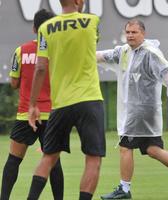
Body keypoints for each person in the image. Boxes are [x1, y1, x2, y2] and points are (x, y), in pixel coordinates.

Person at [96, 19, 168, 199]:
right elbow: (101, 56)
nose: (130, 35)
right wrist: (81, 53)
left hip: (141, 111)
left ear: (143, 34)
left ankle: (124, 189)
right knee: (153, 150)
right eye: (128, 32)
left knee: (125, 147)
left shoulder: (150, 53)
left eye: (134, 32)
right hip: (141, 113)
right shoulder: (124, 51)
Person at [26, 1, 106, 200]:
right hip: (89, 99)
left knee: (49, 157)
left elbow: (41, 68)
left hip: (61, 103)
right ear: (79, 2)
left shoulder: (45, 28)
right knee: (93, 158)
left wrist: (32, 104)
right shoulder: (92, 21)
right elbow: (91, 42)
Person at [0, 9, 64, 200]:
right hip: (52, 115)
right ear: (52, 28)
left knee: (13, 160)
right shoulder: (58, 52)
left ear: (34, 28)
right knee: (54, 163)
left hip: (25, 114)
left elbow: (13, 83)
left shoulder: (21, 50)